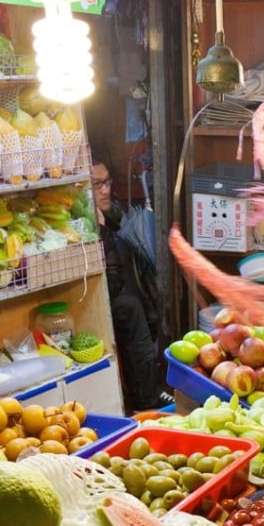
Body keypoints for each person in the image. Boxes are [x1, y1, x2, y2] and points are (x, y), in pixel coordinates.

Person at [91, 159, 166, 412]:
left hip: (112, 292)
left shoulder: (112, 213)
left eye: (107, 182)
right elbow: (109, 285)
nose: (105, 190)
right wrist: (100, 232)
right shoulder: (87, 223)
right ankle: (146, 400)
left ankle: (150, 390)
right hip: (92, 300)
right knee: (130, 308)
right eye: (97, 184)